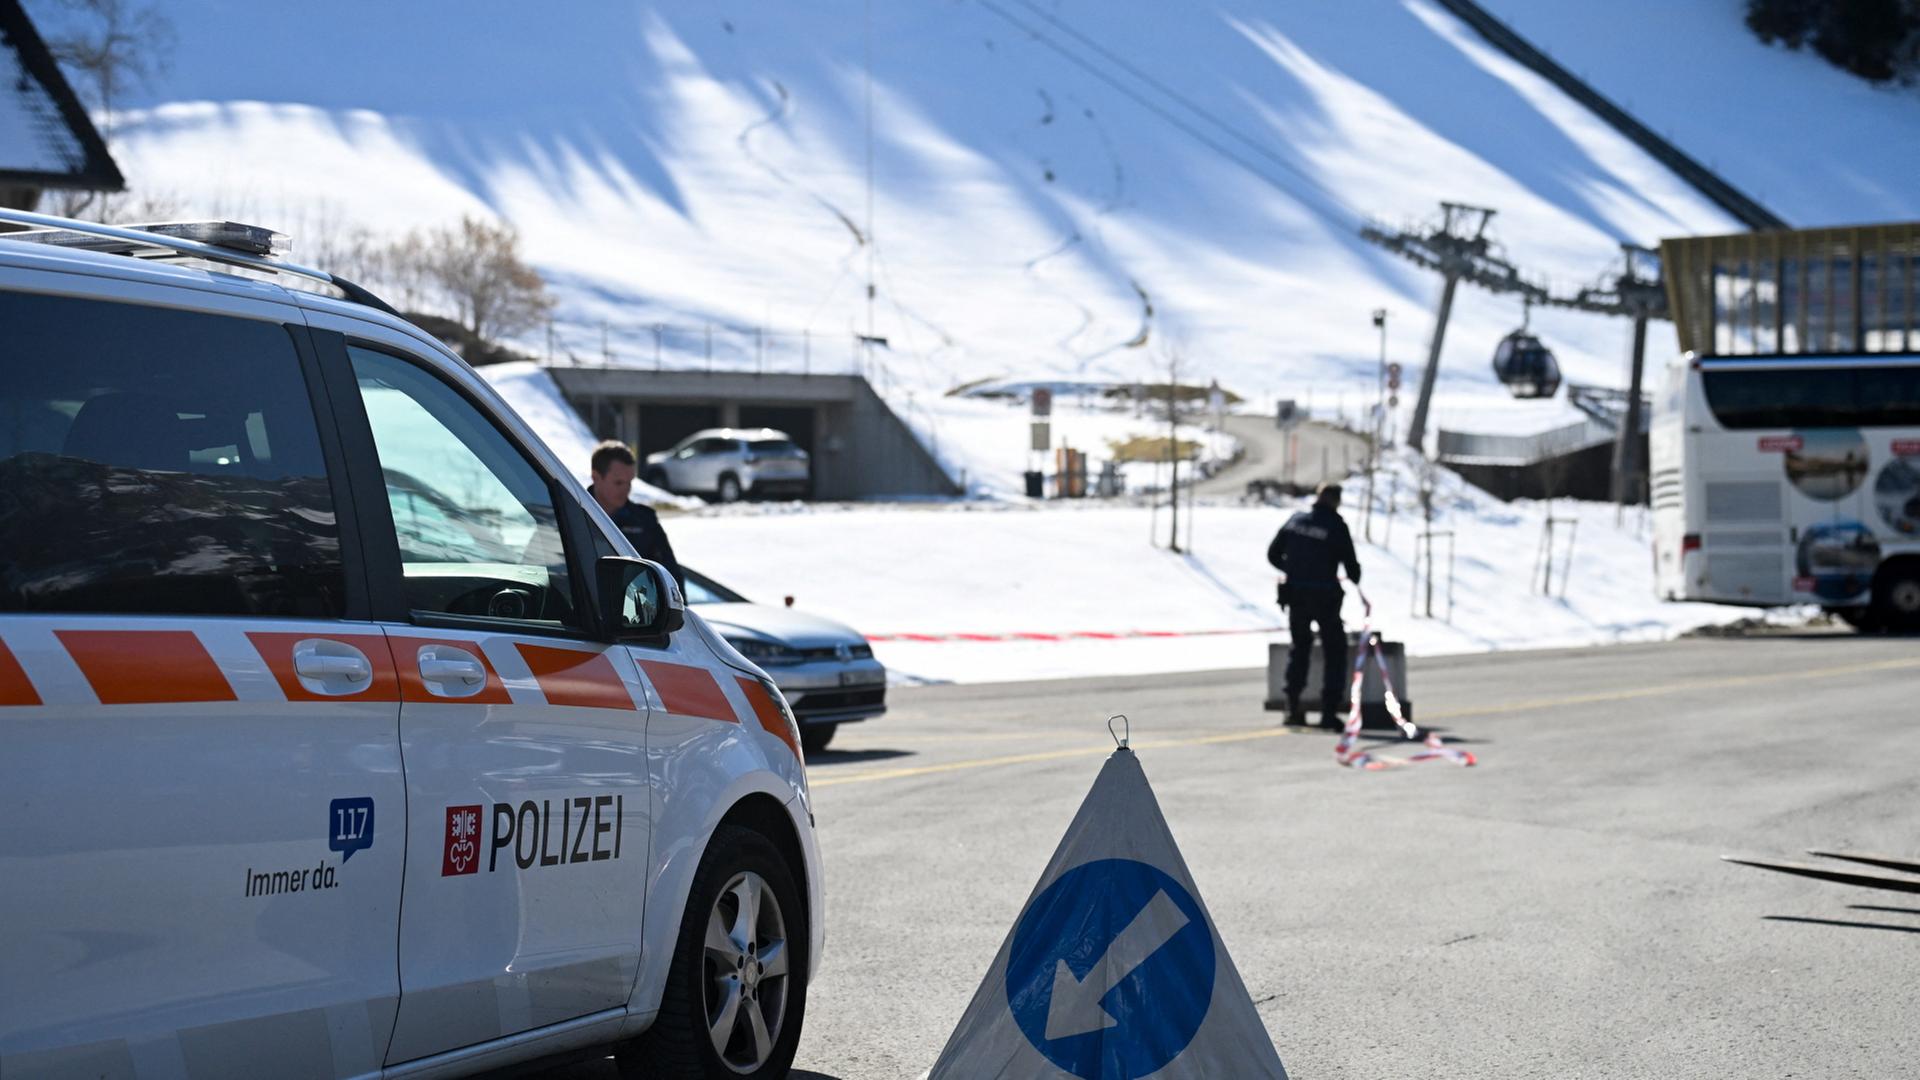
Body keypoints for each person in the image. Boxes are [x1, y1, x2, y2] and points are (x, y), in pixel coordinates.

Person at [1267, 482, 1361, 728]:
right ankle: (1328, 712)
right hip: (1324, 598)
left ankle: (1292, 707)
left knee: (1299, 648)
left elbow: (1273, 554)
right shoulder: (1336, 526)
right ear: (1336, 501)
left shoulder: (1296, 520)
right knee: (1334, 651)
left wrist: (1295, 570)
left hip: (1296, 595)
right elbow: (1352, 567)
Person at [588, 440, 684, 589]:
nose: (626, 489)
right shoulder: (572, 512)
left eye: (630, 482)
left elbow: (671, 576)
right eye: (619, 483)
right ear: (596, 477)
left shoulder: (645, 520)